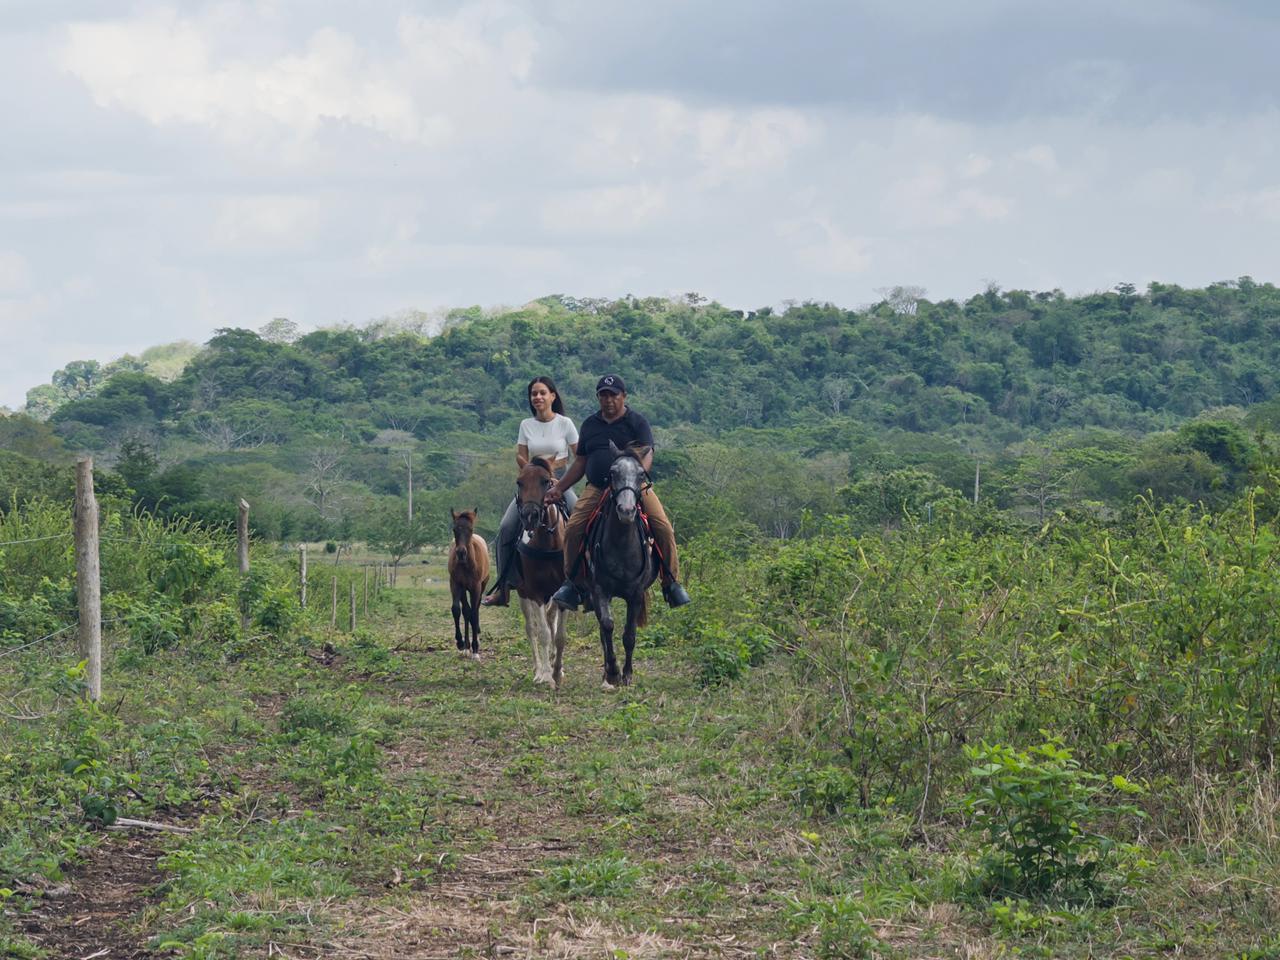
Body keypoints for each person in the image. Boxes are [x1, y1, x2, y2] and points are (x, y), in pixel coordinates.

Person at [544, 374, 691, 610]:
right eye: (603, 395)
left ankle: (671, 582)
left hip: (633, 486)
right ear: (598, 398)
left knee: (662, 526)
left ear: (624, 397)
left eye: (613, 395)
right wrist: (559, 488)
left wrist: (634, 476)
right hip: (598, 487)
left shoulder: (637, 422)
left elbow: (647, 453)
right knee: (572, 529)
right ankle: (574, 584)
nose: (608, 400)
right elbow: (581, 461)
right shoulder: (591, 424)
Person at [481, 376, 579, 607]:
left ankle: (582, 583)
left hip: (560, 483)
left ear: (553, 396)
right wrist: (530, 468)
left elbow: (578, 455)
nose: (538, 397)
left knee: (580, 523)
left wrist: (553, 469)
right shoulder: (526, 424)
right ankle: (504, 587)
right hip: (532, 486)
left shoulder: (566, 423)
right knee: (506, 528)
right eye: (534, 393)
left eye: (542, 393)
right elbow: (520, 454)